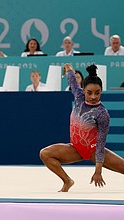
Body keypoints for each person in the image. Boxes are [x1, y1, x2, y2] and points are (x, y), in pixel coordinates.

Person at [40, 63, 124, 192]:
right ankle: (67, 181)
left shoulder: (102, 114)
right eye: (89, 93)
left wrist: (98, 171)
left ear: (102, 91)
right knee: (45, 154)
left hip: (94, 151)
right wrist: (68, 68)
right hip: (76, 149)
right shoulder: (78, 98)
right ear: (83, 90)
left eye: (97, 93)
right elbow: (72, 80)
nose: (93, 97)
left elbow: (101, 144)